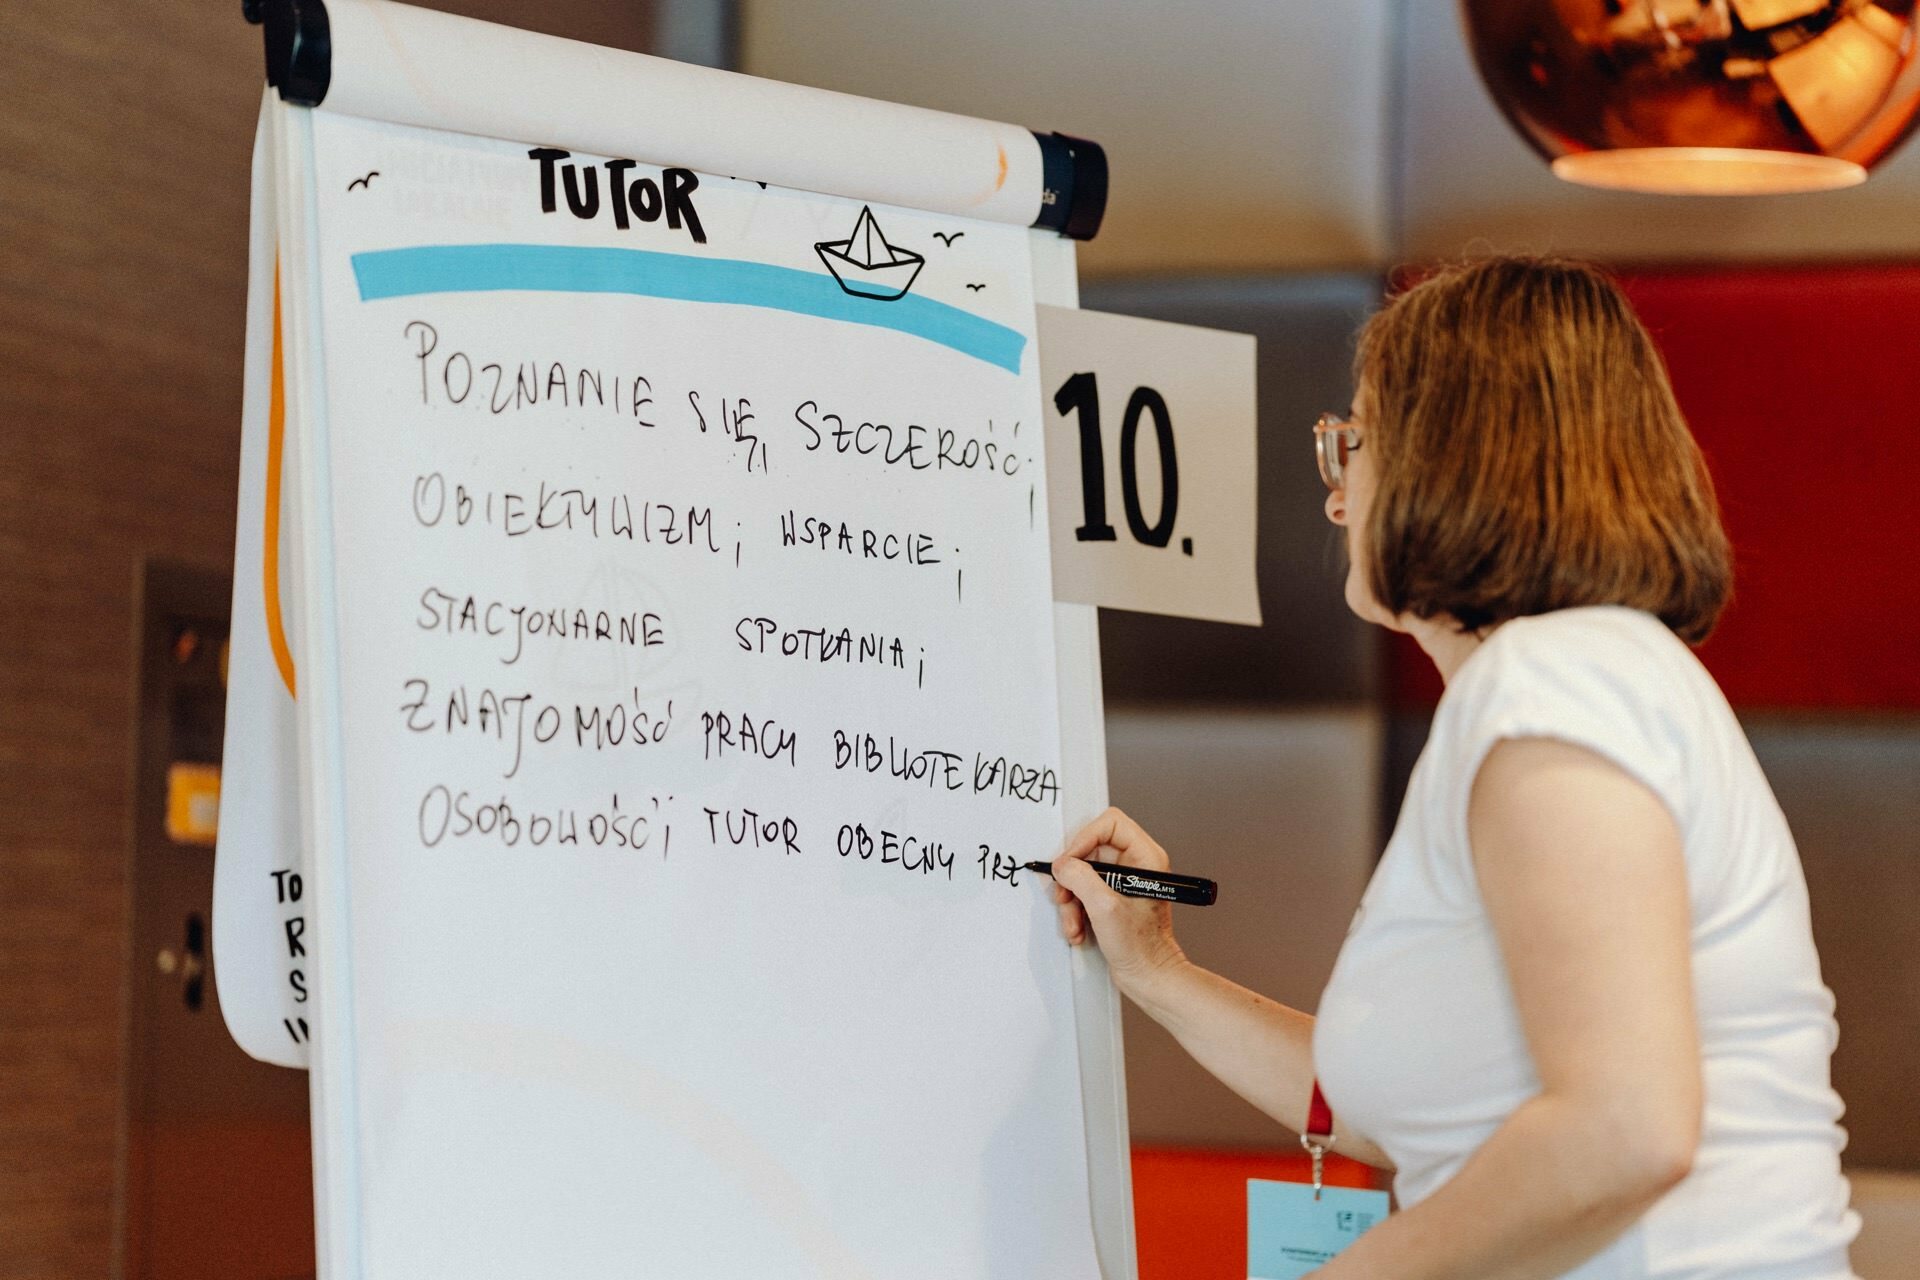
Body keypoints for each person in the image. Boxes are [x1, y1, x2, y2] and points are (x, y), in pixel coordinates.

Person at [1050, 257, 1859, 1279]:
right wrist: (1159, 972)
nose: (1339, 501)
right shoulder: (1565, 681)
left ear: (1455, 456)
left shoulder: (1553, 684)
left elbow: (1626, 1129)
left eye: (1356, 444)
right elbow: (1423, 1121)